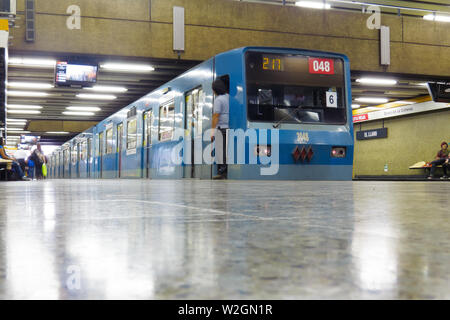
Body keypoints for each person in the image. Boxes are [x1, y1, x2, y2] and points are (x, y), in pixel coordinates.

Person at [211, 78, 229, 180]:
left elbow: (216, 116)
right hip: (229, 127)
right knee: (226, 150)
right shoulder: (229, 97)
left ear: (216, 89)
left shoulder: (218, 100)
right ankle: (225, 170)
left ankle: (222, 171)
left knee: (220, 150)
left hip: (221, 128)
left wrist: (212, 131)